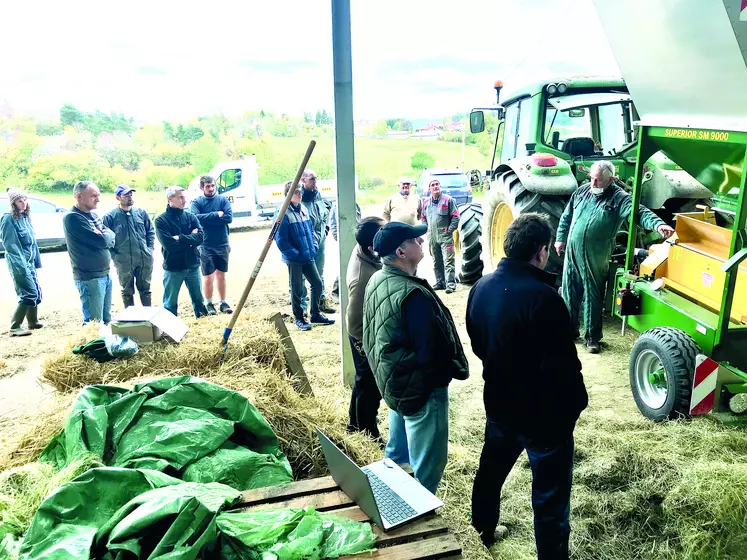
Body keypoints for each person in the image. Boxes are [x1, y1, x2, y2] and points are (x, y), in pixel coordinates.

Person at [466, 213, 588, 558]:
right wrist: (574, 407)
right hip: (543, 419)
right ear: (541, 252)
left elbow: (478, 345)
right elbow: (564, 368)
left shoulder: (480, 287)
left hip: (500, 407)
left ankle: (482, 532)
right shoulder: (545, 298)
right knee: (549, 500)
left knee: (489, 475)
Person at [363, 222, 469, 494]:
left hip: (396, 383)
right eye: (415, 240)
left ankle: (391, 503)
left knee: (397, 456)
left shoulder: (378, 279)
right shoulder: (412, 295)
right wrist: (441, 380)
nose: (421, 242)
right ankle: (420, 521)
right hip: (421, 392)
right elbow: (432, 351)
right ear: (400, 251)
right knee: (426, 467)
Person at [555, 161, 675, 353]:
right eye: (591, 178)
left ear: (610, 179)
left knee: (593, 295)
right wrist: (560, 238)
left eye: (598, 180)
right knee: (569, 291)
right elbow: (566, 216)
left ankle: (592, 339)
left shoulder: (619, 198)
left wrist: (658, 225)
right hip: (572, 251)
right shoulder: (581, 192)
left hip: (596, 255)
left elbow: (639, 212)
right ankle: (569, 332)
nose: (593, 183)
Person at [275, 181, 335, 331]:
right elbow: (281, 240)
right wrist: (295, 254)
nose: (300, 194)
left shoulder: (303, 209)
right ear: (288, 195)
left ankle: (315, 314)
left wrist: (313, 247)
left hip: (308, 255)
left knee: (317, 283)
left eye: (300, 191)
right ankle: (299, 318)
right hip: (295, 259)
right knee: (297, 289)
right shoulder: (283, 213)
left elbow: (311, 230)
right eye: (296, 192)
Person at [345, 216, 385, 439]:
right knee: (369, 384)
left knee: (363, 381)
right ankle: (368, 432)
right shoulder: (363, 278)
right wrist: (366, 345)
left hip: (365, 329)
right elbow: (355, 318)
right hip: (361, 333)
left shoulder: (365, 249)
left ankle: (355, 424)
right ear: (372, 247)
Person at [63, 181, 116, 324]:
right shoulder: (73, 217)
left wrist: (105, 234)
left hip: (104, 274)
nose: (98, 199)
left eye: (98, 195)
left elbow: (111, 235)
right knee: (93, 323)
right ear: (79, 196)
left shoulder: (92, 216)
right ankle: (92, 346)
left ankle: (103, 346)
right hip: (89, 277)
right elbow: (102, 241)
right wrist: (104, 236)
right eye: (93, 196)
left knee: (106, 319)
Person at [154, 186, 208, 318]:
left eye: (185, 197)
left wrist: (180, 238)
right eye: (181, 197)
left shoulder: (191, 217)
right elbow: (170, 245)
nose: (184, 200)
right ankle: (169, 329)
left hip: (193, 265)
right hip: (174, 267)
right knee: (170, 303)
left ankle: (202, 323)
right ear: (170, 199)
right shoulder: (161, 220)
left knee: (199, 301)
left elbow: (200, 238)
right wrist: (190, 238)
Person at [102, 185, 154, 308]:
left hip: (143, 258)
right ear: (118, 197)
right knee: (127, 291)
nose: (130, 197)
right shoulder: (110, 217)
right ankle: (131, 319)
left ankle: (148, 318)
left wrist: (149, 249)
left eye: (131, 194)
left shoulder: (141, 213)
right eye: (126, 195)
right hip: (123, 261)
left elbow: (150, 231)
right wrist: (115, 256)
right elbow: (106, 240)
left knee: (145, 289)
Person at [1, 188, 44, 336]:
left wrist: (35, 262)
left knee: (36, 292)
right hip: (19, 264)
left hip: (29, 262)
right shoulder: (8, 219)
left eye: (25, 199)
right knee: (28, 293)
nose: (23, 203)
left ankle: (33, 322)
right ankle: (15, 326)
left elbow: (32, 243)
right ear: (13, 203)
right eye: (20, 200)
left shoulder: (25, 217)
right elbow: (11, 245)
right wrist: (22, 267)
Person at [190, 175, 233, 315]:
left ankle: (223, 302)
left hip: (223, 243)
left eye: (213, 186)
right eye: (208, 186)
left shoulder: (223, 200)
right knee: (208, 276)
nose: (211, 189)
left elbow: (228, 218)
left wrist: (207, 218)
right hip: (205, 244)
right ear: (202, 187)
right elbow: (195, 218)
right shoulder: (197, 202)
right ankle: (209, 303)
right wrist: (216, 215)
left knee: (222, 275)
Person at [299, 169, 335, 313]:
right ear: (303, 180)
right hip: (305, 242)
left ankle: (321, 303)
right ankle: (302, 307)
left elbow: (325, 213)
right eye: (312, 179)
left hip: (320, 240)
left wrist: (326, 228)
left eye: (316, 178)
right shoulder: (298, 197)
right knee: (301, 275)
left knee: (319, 273)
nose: (315, 181)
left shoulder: (318, 195)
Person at [421, 179, 459, 293]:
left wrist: (450, 229)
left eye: (437, 184)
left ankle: (450, 284)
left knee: (448, 261)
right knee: (436, 261)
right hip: (432, 238)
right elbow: (423, 218)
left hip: (445, 236)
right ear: (429, 189)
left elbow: (456, 216)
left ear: (440, 186)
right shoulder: (426, 203)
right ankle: (440, 283)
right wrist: (426, 229)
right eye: (432, 185)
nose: (435, 186)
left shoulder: (448, 200)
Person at [328, 199, 361, 302]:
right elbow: (333, 224)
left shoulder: (355, 204)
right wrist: (338, 238)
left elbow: (359, 220)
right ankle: (336, 291)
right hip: (343, 241)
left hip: (354, 240)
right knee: (343, 266)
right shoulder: (336, 206)